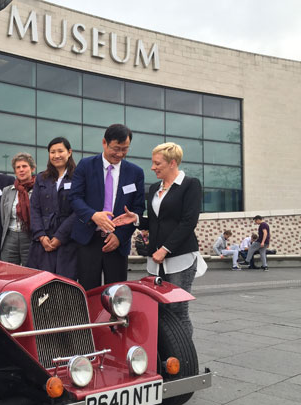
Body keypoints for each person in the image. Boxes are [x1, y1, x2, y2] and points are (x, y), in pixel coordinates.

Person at [114, 142, 206, 338]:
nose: (153, 167)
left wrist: (165, 249)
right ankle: (165, 355)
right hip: (156, 260)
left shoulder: (190, 185)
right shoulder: (156, 188)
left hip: (179, 258)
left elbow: (188, 222)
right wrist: (137, 219)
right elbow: (157, 221)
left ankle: (183, 358)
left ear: (172, 163)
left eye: (157, 163)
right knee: (159, 310)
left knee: (178, 310)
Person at [69, 124, 145, 289]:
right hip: (89, 239)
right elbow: (74, 197)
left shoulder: (135, 173)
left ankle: (116, 317)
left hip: (117, 242)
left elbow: (138, 208)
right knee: (89, 291)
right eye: (116, 148)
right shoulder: (86, 165)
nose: (119, 154)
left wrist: (120, 236)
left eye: (124, 149)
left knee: (117, 293)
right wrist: (93, 215)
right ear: (104, 142)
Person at [26, 137, 78, 280]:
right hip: (43, 242)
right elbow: (34, 208)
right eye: (52, 152)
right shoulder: (42, 178)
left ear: (69, 152)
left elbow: (78, 211)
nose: (56, 155)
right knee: (40, 284)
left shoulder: (78, 177)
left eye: (60, 151)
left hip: (67, 241)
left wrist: (60, 237)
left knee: (65, 285)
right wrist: (41, 236)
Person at [0, 152, 36, 265]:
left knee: (30, 272)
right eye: (18, 167)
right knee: (8, 272)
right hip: (10, 237)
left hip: (30, 237)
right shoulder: (7, 191)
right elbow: (3, 216)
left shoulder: (38, 189)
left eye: (24, 166)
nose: (21, 170)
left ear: (32, 168)